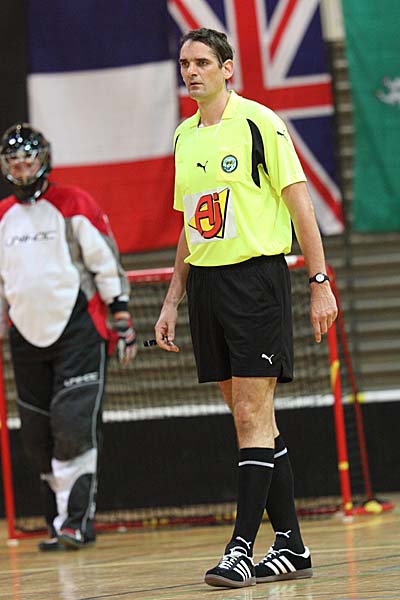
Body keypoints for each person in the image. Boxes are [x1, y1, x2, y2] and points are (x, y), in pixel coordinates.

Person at [155, 28, 338, 588]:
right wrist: (172, 297)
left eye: (202, 62)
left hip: (256, 282)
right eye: (184, 64)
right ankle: (292, 548)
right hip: (207, 287)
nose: (191, 71)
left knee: (250, 418)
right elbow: (191, 223)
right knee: (252, 418)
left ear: (227, 68)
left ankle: (240, 549)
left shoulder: (260, 123)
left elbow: (301, 206)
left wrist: (319, 280)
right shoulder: (184, 136)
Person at [0, 123, 137, 551]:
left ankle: (76, 523)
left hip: (80, 331)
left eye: (29, 162)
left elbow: (105, 263)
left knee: (73, 427)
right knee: (36, 437)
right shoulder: (3, 216)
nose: (23, 170)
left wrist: (121, 316)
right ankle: (57, 521)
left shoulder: (75, 203)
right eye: (15, 164)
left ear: (44, 161)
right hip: (25, 337)